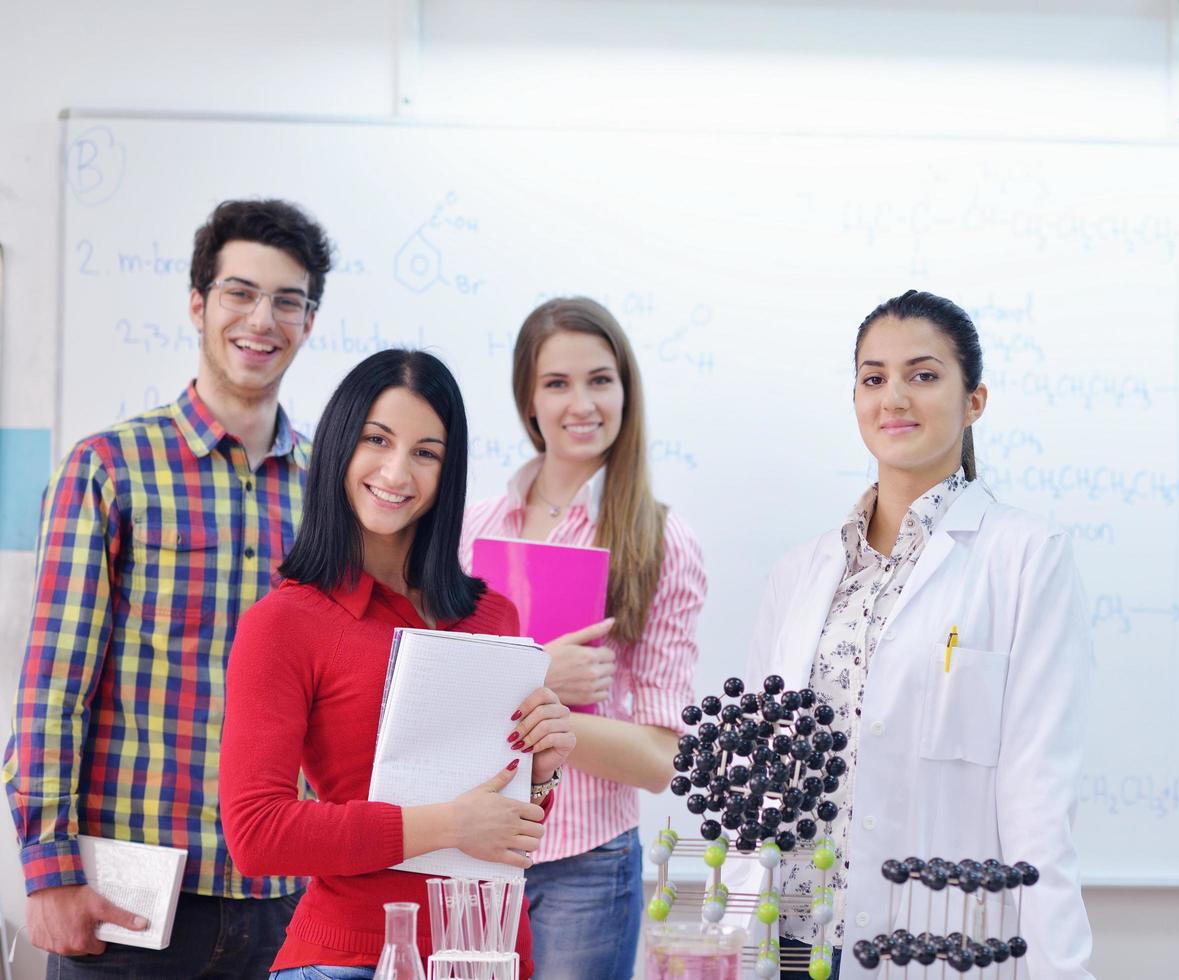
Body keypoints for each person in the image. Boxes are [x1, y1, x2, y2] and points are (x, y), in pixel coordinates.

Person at [2, 199, 332, 977]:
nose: (262, 318)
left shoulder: (332, 490)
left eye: (288, 300)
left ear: (310, 321)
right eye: (239, 293)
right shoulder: (109, 468)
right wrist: (49, 873)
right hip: (133, 901)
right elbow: (55, 687)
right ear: (198, 303)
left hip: (287, 900)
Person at [736, 290, 1094, 980]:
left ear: (975, 402)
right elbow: (759, 784)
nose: (894, 396)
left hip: (930, 949)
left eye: (923, 375)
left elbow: (1038, 802)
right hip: (789, 947)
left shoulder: (1025, 557)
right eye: (874, 378)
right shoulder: (800, 573)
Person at [219, 349, 574, 978]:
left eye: (426, 452)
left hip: (489, 956)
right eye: (376, 439)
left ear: (449, 470)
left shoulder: (495, 618)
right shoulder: (283, 624)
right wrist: (448, 824)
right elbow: (257, 835)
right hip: (349, 959)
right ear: (337, 447)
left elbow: (502, 830)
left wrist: (540, 772)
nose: (396, 471)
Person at [459, 297, 705, 979]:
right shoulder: (472, 530)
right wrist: (535, 673)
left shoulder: (662, 542)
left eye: (600, 379)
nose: (582, 402)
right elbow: (433, 702)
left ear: (626, 389)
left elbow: (659, 760)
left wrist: (525, 698)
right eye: (557, 383)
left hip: (586, 867)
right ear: (528, 400)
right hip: (470, 850)